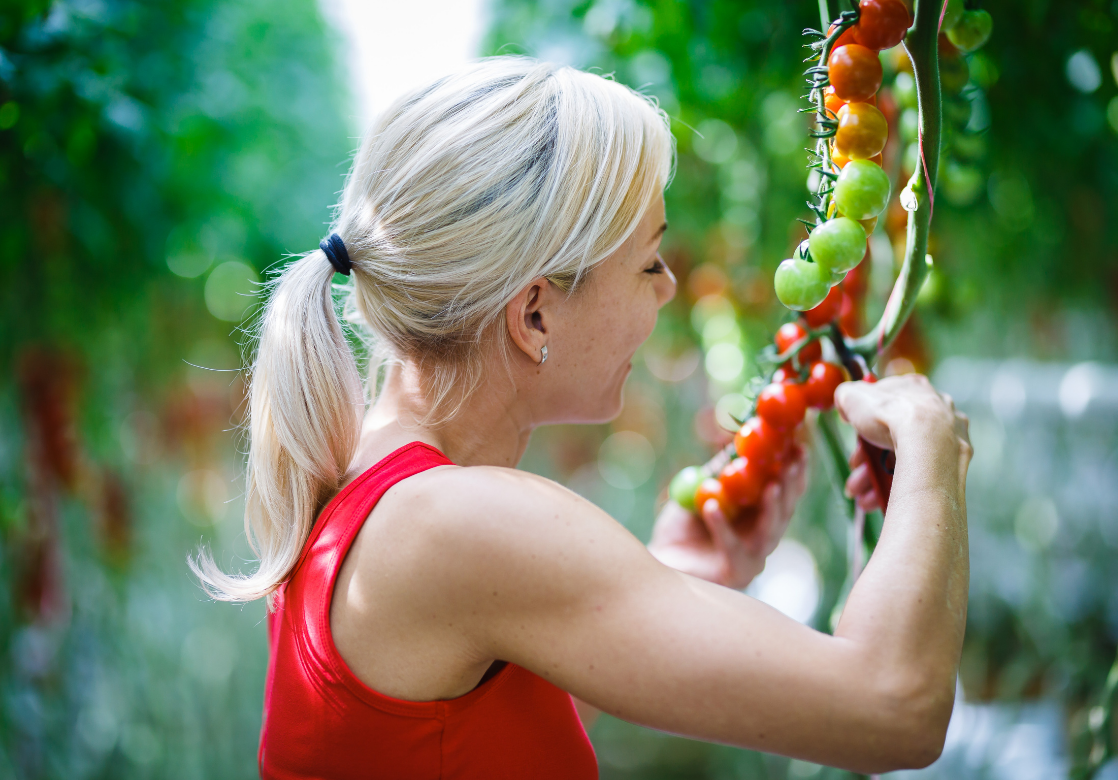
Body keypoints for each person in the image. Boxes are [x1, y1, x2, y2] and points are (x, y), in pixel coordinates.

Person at [192, 57, 971, 779]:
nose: (669, 289)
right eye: (649, 262)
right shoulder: (456, 522)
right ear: (534, 313)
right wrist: (931, 447)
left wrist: (687, 575)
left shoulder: (361, 480)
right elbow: (894, 707)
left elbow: (467, 724)